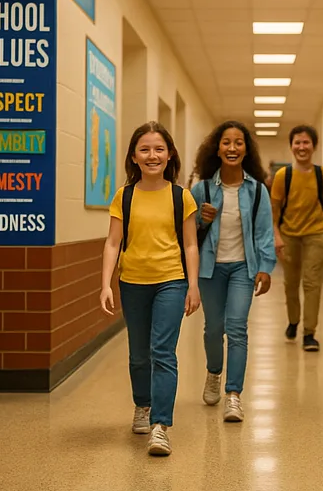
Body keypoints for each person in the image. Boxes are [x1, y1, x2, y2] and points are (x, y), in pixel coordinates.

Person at [101, 121, 201, 457]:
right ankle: (142, 405)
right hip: (132, 283)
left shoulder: (180, 196)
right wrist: (106, 283)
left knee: (163, 352)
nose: (152, 155)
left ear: (170, 154)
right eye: (145, 149)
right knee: (138, 356)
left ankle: (161, 426)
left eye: (159, 149)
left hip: (171, 281)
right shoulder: (124, 196)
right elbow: (113, 242)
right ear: (133, 156)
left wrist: (193, 285)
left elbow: (190, 245)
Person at [191, 121, 276, 423]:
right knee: (214, 328)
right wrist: (201, 219)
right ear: (217, 149)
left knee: (237, 327)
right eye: (226, 142)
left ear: (246, 150)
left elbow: (264, 232)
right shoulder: (200, 189)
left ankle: (233, 395)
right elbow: (188, 233)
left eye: (238, 142)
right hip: (209, 269)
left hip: (243, 267)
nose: (232, 148)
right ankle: (214, 372)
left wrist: (265, 268)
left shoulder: (256, 191)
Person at [270, 125, 323, 351]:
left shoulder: (322, 175)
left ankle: (310, 333)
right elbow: (274, 209)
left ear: (314, 146)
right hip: (289, 235)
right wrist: (276, 235)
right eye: (297, 142)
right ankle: (293, 320)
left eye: (306, 142)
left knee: (312, 284)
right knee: (291, 283)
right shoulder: (283, 176)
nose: (302, 147)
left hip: (316, 234)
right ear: (291, 147)